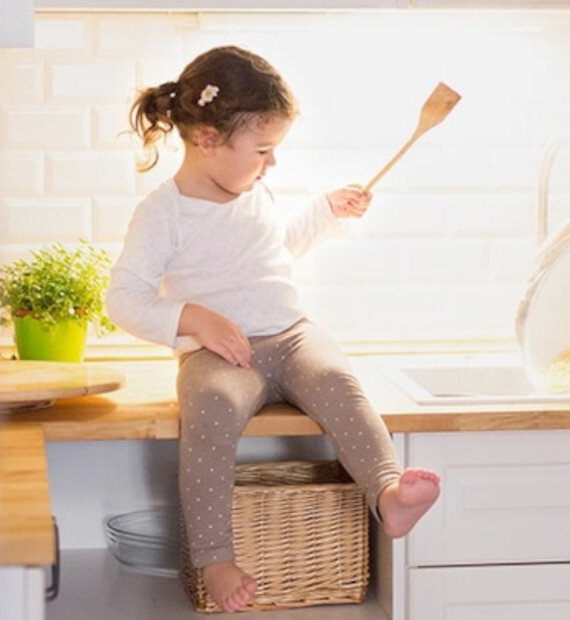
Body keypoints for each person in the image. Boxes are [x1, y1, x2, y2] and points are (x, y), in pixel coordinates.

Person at [105, 46, 441, 613]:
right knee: (209, 411)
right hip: (219, 355)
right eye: (263, 150)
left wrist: (326, 213)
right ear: (207, 138)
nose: (272, 164)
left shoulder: (251, 188)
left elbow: (274, 251)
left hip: (289, 335)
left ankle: (388, 493)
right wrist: (192, 318)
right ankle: (214, 557)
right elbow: (123, 299)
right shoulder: (164, 213)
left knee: (338, 377)